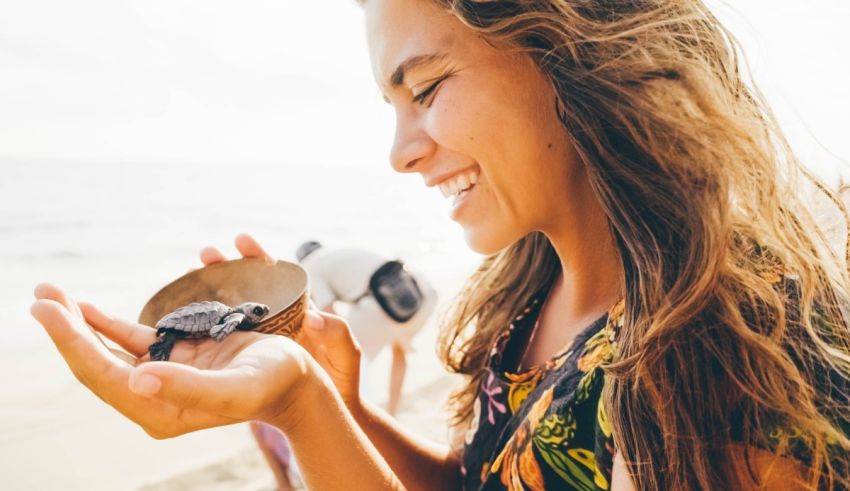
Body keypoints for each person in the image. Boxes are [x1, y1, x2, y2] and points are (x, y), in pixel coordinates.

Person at [30, 0, 850, 490]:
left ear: (574, 54)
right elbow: (475, 480)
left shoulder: (720, 348)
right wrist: (340, 406)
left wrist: (300, 408)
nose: (400, 150)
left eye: (424, 89)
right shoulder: (535, 292)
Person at [294, 240, 438, 415]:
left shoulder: (309, 268)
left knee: (348, 360)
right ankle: (393, 413)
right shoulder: (340, 251)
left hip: (377, 305)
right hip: (418, 296)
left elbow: (330, 315)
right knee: (399, 352)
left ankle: (360, 416)